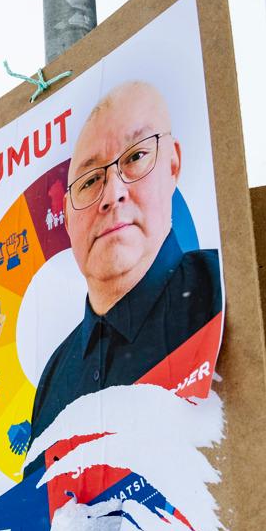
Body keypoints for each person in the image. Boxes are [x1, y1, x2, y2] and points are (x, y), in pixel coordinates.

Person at [20, 80, 222, 475]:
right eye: (90, 181)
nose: (113, 193)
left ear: (173, 165)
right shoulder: (55, 376)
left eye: (135, 157)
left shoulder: (225, 289)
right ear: (68, 216)